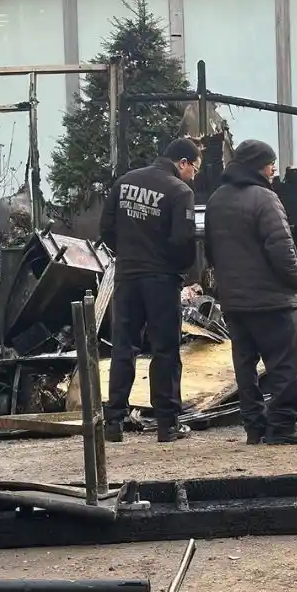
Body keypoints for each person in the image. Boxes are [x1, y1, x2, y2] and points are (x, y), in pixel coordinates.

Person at [204, 140, 297, 446]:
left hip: (235, 302)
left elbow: (210, 251)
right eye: (271, 163)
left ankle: (254, 427)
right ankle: (282, 427)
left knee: (245, 366)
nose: (273, 169)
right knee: (285, 365)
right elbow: (282, 248)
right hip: (271, 301)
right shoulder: (265, 199)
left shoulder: (216, 200)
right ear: (258, 165)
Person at [100, 137, 201, 443]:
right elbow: (184, 242)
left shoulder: (125, 182)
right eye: (194, 168)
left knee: (124, 347)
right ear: (181, 163)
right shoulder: (179, 191)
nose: (194, 175)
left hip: (127, 276)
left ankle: (113, 422)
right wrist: (177, 269)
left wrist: (129, 255)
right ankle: (167, 425)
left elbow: (106, 229)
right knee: (165, 349)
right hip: (160, 280)